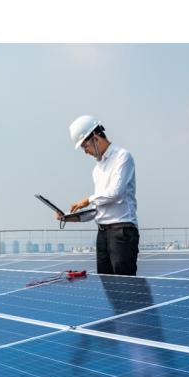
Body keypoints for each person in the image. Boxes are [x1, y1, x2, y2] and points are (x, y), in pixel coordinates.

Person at [58, 115, 139, 275]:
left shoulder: (122, 157)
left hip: (122, 232)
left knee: (125, 289)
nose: (85, 152)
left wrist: (87, 200)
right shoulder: (97, 169)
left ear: (95, 137)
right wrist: (69, 217)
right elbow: (98, 208)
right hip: (102, 234)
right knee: (108, 287)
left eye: (84, 146)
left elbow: (116, 193)